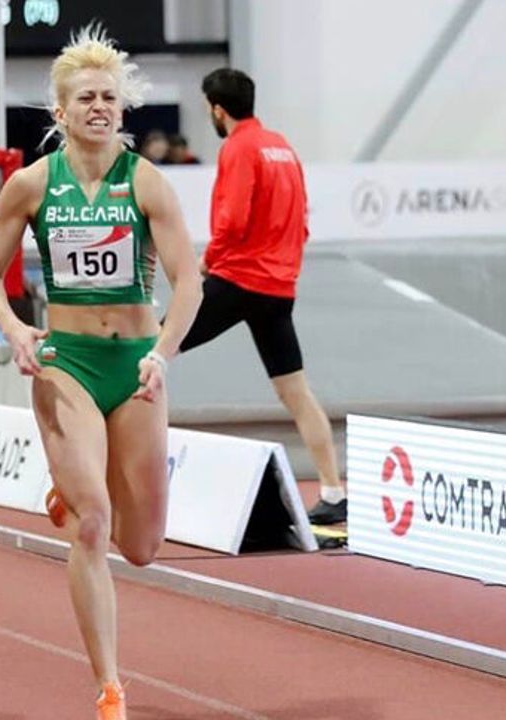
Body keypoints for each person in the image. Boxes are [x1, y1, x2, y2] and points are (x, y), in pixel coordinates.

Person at [0, 27, 201, 720]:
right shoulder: (32, 184)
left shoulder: (147, 182)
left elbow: (189, 283)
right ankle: (110, 686)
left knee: (142, 546)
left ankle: (72, 489)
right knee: (93, 524)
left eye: (108, 97)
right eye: (86, 98)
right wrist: (16, 330)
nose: (99, 107)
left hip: (134, 366)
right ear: (61, 111)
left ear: (121, 109)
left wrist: (161, 354)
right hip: (66, 362)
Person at [179, 68, 346, 525]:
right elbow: (302, 222)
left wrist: (207, 261)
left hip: (238, 280)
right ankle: (333, 491)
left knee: (153, 349)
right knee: (295, 391)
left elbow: (232, 221)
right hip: (277, 289)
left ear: (217, 109)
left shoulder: (239, 147)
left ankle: (116, 467)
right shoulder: (282, 147)